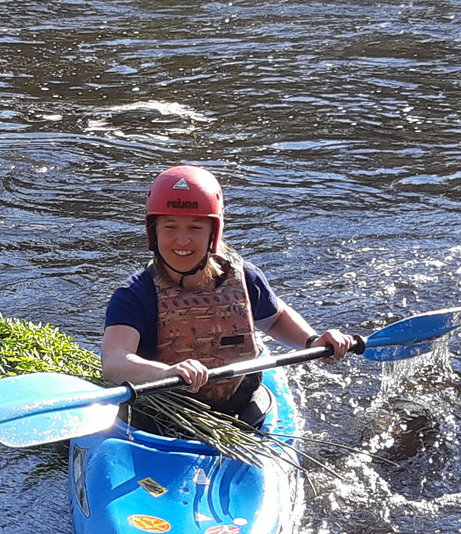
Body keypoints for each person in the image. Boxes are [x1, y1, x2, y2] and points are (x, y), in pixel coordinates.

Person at [100, 164, 355, 428]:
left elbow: (275, 319)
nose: (182, 240)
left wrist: (312, 341)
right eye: (170, 227)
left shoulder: (244, 278)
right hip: (161, 418)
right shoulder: (135, 294)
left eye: (195, 228)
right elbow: (115, 362)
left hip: (241, 414)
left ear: (214, 233)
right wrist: (165, 373)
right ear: (153, 232)